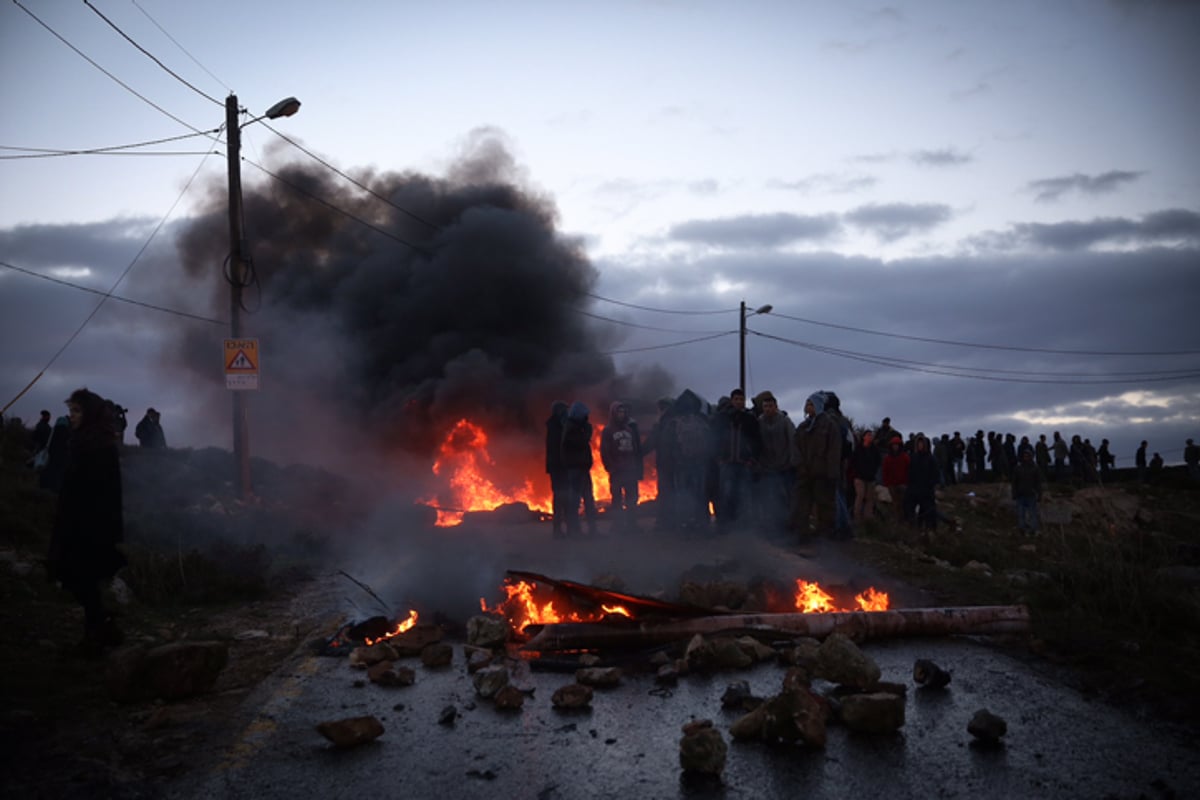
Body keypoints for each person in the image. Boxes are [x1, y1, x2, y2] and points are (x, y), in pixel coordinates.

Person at [45, 388, 127, 655]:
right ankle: (102, 626)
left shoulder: (100, 447)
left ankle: (98, 631)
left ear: (90, 413)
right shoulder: (81, 441)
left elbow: (104, 491)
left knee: (81, 576)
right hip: (75, 521)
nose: (72, 416)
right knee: (75, 577)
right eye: (70, 411)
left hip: (91, 525)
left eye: (77, 411)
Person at [710, 388, 761, 534]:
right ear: (732, 400)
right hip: (726, 463)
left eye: (741, 399)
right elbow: (714, 439)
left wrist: (752, 459)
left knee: (744, 495)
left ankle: (743, 526)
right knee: (725, 494)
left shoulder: (749, 420)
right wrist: (719, 457)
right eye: (736, 399)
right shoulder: (722, 419)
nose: (739, 402)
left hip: (744, 464)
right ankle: (724, 526)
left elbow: (757, 441)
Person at [791, 392, 841, 539]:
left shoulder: (829, 425)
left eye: (811, 404)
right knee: (801, 504)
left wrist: (831, 473)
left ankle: (826, 536)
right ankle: (802, 534)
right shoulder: (803, 427)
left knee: (825, 505)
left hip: (822, 474)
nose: (808, 407)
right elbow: (796, 448)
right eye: (807, 404)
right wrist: (800, 466)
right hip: (805, 473)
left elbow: (834, 450)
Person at [752, 391, 796, 536]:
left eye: (770, 406)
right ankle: (770, 527)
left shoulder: (785, 421)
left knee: (785, 498)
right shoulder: (759, 422)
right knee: (769, 497)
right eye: (765, 406)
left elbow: (792, 442)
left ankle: (787, 526)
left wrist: (792, 461)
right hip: (767, 468)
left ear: (776, 406)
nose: (768, 409)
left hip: (784, 466)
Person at [599, 401, 643, 533]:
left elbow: (635, 449)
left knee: (632, 498)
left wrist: (636, 467)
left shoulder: (629, 430)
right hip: (617, 471)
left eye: (623, 412)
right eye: (619, 412)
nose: (621, 414)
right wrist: (610, 468)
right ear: (613, 413)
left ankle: (632, 525)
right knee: (617, 499)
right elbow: (604, 452)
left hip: (630, 470)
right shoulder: (608, 431)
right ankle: (617, 526)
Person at [560, 402, 599, 537]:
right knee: (575, 500)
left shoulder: (577, 427)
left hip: (583, 469)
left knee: (588, 498)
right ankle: (574, 530)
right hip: (576, 470)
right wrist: (587, 432)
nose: (586, 418)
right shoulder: (571, 429)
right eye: (584, 415)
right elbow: (580, 443)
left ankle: (592, 530)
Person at [545, 401, 569, 538]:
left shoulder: (557, 426)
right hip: (559, 468)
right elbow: (557, 449)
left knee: (563, 498)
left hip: (560, 467)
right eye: (563, 410)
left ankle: (563, 529)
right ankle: (558, 530)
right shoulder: (556, 427)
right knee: (560, 497)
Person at [906, 435, 939, 532]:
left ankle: (931, 530)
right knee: (910, 508)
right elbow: (910, 472)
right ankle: (914, 528)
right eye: (918, 444)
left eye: (922, 444)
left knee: (928, 511)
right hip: (914, 489)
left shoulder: (931, 458)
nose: (920, 445)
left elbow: (935, 474)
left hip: (926, 490)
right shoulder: (913, 457)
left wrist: (930, 484)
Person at [850, 429, 882, 526]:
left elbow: (878, 462)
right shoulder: (858, 449)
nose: (870, 437)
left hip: (870, 477)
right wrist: (857, 472)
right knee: (860, 496)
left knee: (870, 498)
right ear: (864, 437)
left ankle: (868, 519)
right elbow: (853, 461)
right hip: (859, 477)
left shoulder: (874, 450)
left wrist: (874, 472)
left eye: (871, 435)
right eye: (868, 435)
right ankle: (857, 518)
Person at [1012, 448, 1043, 536]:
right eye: (1024, 456)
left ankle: (1033, 529)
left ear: (1031, 457)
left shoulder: (1035, 468)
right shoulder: (1018, 468)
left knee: (1033, 513)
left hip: (1031, 494)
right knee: (1021, 513)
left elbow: (1038, 483)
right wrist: (1014, 493)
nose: (1026, 457)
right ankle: (1022, 529)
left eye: (1027, 456)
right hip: (1020, 494)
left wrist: (1040, 494)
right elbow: (1014, 482)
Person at [881, 435, 910, 524]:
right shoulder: (887, 458)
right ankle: (897, 521)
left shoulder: (905, 457)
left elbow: (909, 470)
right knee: (895, 503)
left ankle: (904, 520)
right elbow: (884, 471)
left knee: (903, 503)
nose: (895, 446)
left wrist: (907, 482)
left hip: (903, 483)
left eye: (897, 445)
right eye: (894, 445)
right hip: (892, 484)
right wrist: (886, 483)